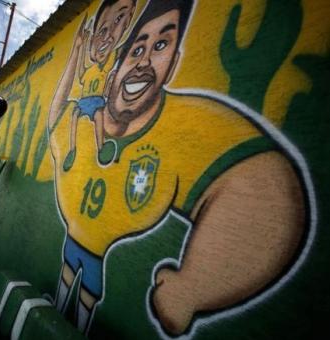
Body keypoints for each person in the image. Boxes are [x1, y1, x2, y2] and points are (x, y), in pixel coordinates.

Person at [48, 0, 308, 335]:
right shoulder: (79, 123)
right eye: (136, 49)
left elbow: (262, 184)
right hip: (77, 244)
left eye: (160, 46)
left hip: (97, 256)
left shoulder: (184, 126)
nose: (142, 61)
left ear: (173, 67)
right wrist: (76, 53)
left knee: (86, 296)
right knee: (69, 283)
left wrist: (192, 287)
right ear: (113, 75)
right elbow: (55, 112)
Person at [63, 0, 136, 171]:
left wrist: (129, 31)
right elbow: (80, 71)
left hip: (96, 102)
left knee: (98, 116)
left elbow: (117, 49)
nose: (103, 43)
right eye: (100, 33)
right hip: (83, 102)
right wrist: (80, 47)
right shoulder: (90, 69)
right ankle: (72, 149)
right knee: (74, 115)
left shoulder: (106, 66)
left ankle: (101, 147)